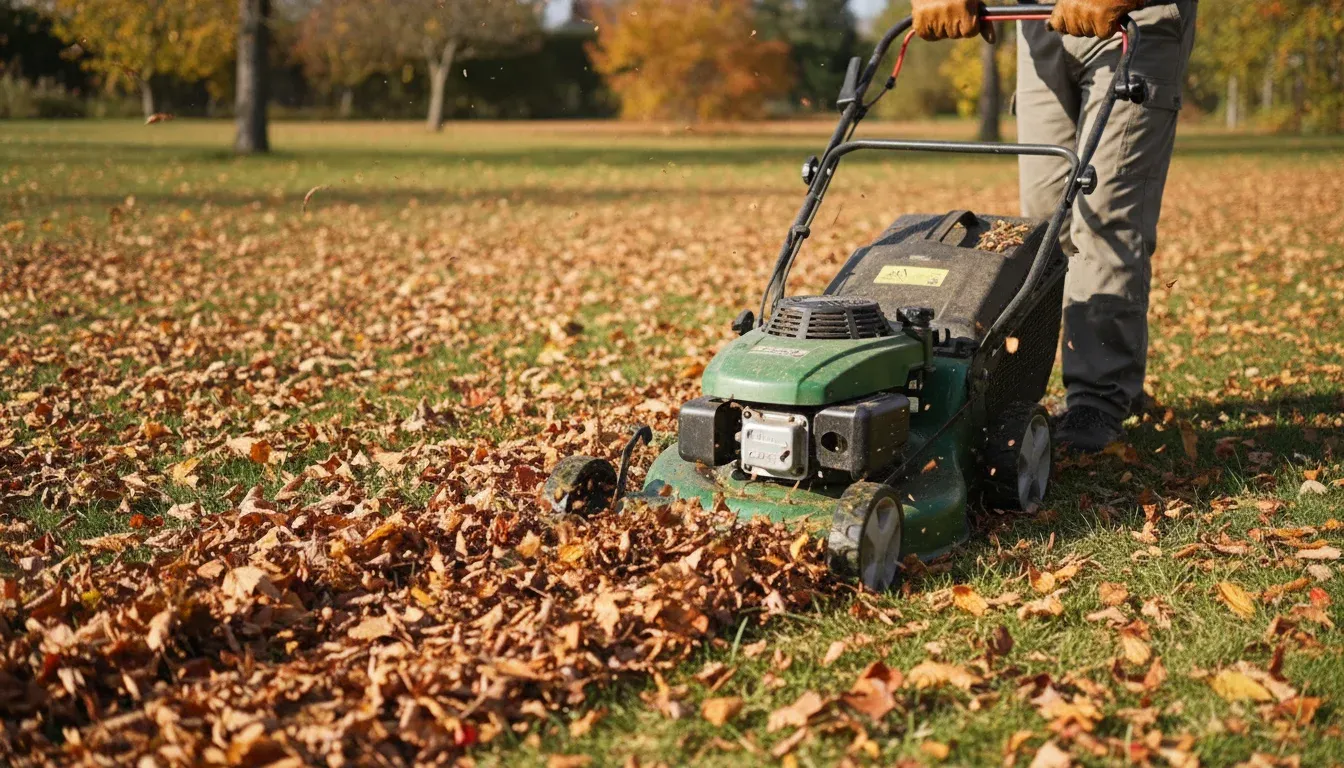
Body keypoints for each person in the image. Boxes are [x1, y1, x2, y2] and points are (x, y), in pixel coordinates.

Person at [911, 0, 1198, 452]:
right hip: (1037, 21)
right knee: (1044, 225)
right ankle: (1033, 386)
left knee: (1103, 216)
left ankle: (1099, 398)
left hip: (1133, 19)